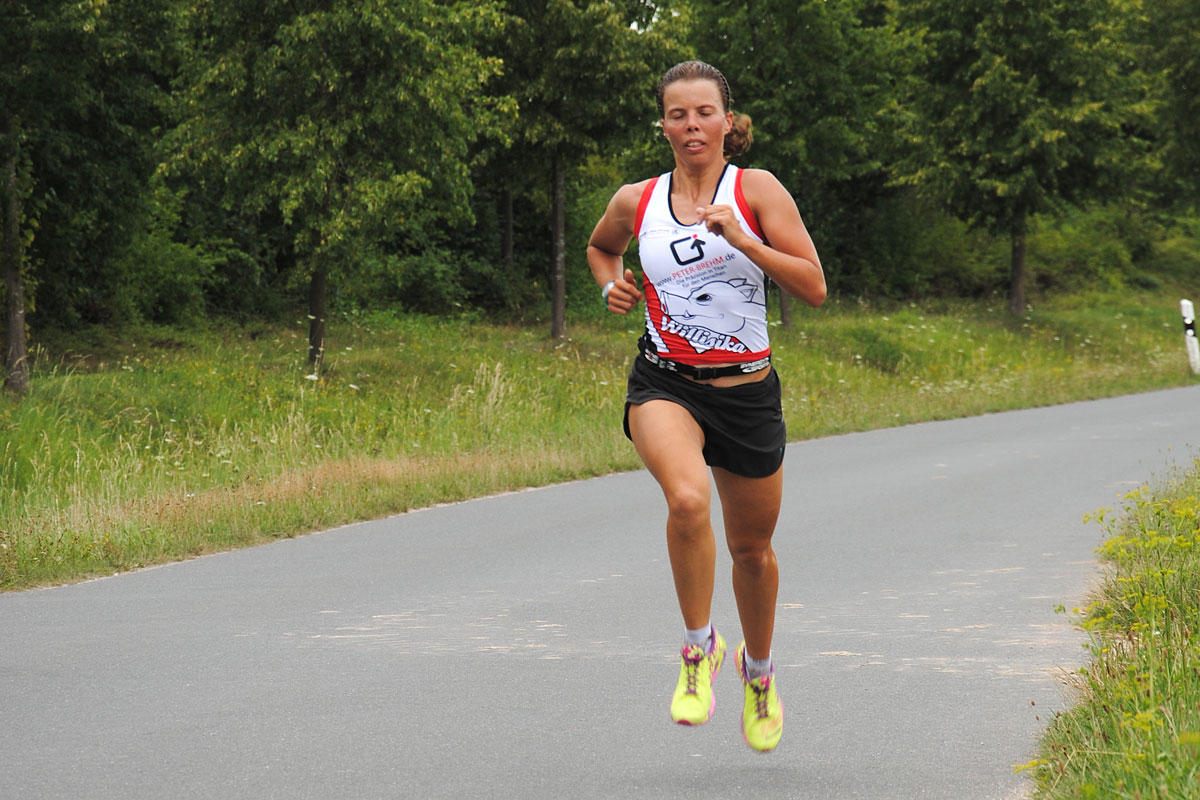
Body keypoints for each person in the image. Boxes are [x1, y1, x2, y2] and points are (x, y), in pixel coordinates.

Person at [586, 61, 825, 753]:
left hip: (747, 391)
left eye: (703, 113)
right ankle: (698, 651)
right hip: (666, 381)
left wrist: (745, 242)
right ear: (662, 124)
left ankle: (759, 672)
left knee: (751, 551)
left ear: (728, 121)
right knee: (687, 502)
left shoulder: (757, 191)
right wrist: (610, 288)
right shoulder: (639, 199)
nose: (691, 126)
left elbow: (813, 287)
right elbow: (603, 250)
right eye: (677, 115)